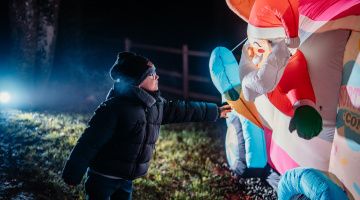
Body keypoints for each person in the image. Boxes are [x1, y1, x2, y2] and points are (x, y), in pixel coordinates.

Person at [61, 52, 232, 200]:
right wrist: (72, 174)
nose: (157, 77)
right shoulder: (114, 108)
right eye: (151, 74)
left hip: (126, 178)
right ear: (137, 81)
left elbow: (183, 110)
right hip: (102, 177)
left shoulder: (155, 105)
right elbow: (89, 143)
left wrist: (215, 111)